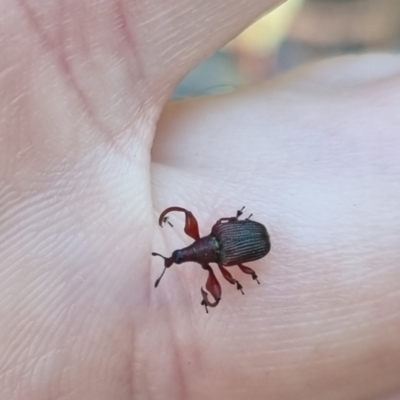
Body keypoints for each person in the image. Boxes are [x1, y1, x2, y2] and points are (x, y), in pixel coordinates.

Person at [1, 0, 399, 399]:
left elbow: (204, 231)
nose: (181, 255)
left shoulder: (219, 250)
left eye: (179, 254)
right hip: (245, 241)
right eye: (181, 256)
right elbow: (215, 254)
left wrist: (205, 236)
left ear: (200, 246)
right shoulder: (219, 251)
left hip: (246, 241)